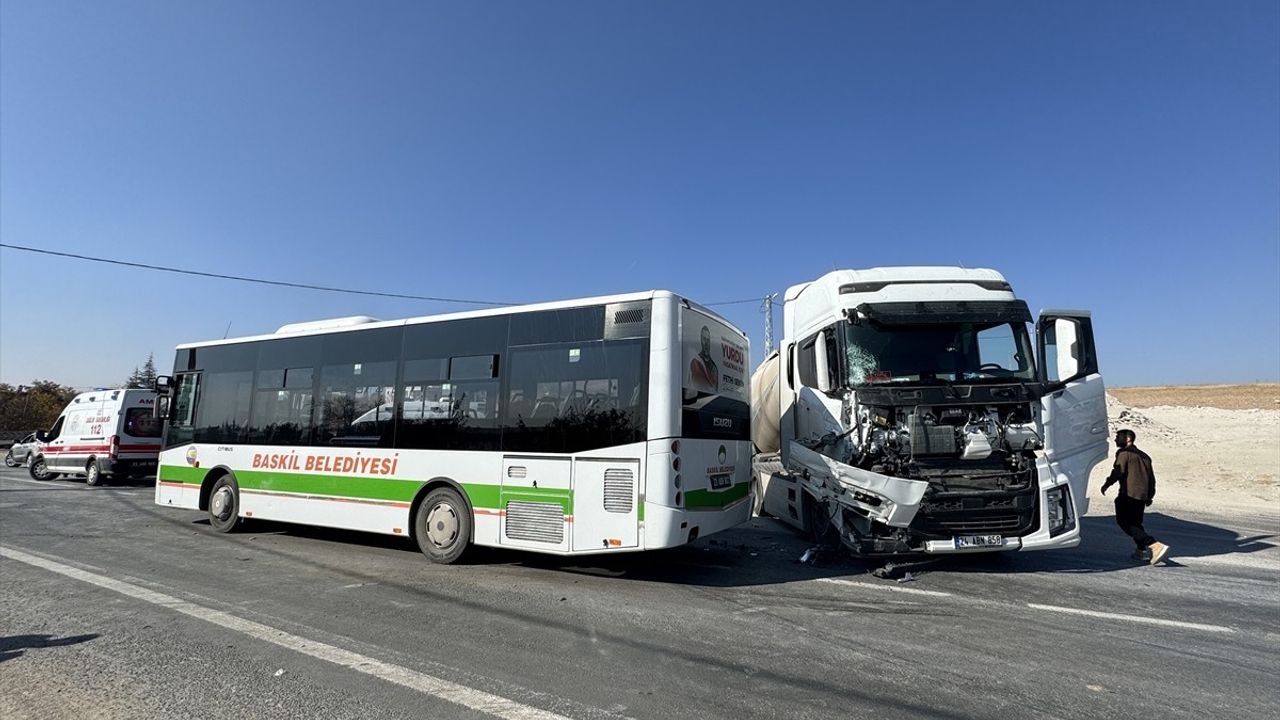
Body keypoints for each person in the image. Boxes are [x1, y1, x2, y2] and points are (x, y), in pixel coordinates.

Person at [1101, 429, 1170, 564]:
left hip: (1128, 495)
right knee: (1136, 525)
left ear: (1128, 439)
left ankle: (1154, 545)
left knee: (1124, 522)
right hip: (1142, 496)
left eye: (1118, 437)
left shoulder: (1124, 453)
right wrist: (1150, 495)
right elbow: (1151, 478)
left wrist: (1107, 484)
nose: (1115, 440)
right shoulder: (1145, 456)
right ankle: (1141, 551)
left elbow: (1119, 471)